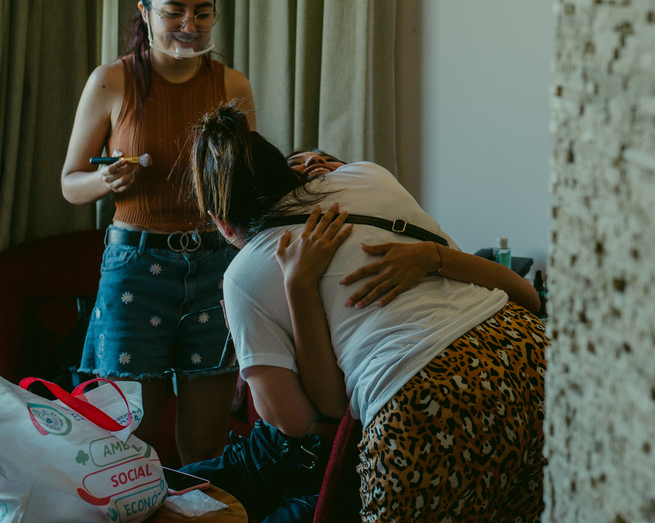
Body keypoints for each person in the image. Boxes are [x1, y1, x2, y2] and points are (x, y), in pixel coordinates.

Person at [187, 103, 547, 522]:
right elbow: (528, 298)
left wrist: (282, 302)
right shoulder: (370, 175)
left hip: (424, 397)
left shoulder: (244, 273)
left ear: (222, 224)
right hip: (531, 358)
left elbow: (297, 422)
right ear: (291, 175)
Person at [60, 0, 256, 463]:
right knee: (130, 444)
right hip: (135, 267)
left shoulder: (231, 85)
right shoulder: (112, 81)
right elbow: (70, 184)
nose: (189, 25)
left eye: (202, 12)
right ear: (145, 12)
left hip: (215, 265)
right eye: (174, 11)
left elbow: (246, 187)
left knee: (206, 445)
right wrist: (104, 179)